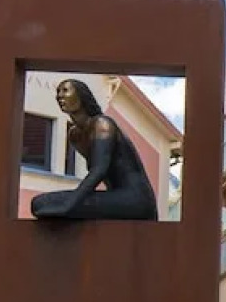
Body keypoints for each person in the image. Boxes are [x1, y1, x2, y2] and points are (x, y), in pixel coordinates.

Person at [31, 79, 158, 221]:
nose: (60, 95)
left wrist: (69, 205)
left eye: (65, 90)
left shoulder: (102, 125)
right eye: (58, 91)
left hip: (136, 200)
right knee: (38, 203)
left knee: (46, 204)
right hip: (116, 197)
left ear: (81, 96)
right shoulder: (75, 135)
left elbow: (99, 170)